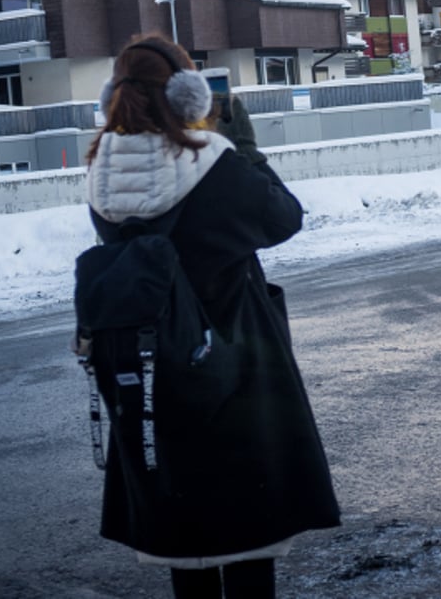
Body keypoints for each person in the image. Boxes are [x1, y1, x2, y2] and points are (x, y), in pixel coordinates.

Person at [84, 34, 340, 598]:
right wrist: (241, 146)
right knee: (248, 523)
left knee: (186, 523)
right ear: (188, 93)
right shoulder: (211, 161)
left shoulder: (102, 168)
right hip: (236, 363)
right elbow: (283, 219)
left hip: (157, 366)